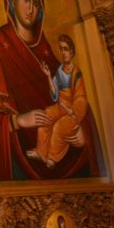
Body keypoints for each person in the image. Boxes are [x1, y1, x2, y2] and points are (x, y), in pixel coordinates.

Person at [0, 0, 100, 180]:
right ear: (11, 2)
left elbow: (77, 99)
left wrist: (84, 133)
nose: (31, 8)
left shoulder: (48, 54)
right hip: (20, 158)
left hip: (69, 160)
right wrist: (17, 121)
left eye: (36, 3)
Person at [27, 35, 88, 169]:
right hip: (61, 106)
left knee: (59, 126)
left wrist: (73, 110)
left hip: (73, 112)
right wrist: (48, 76)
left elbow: (81, 97)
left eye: (66, 49)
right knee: (46, 115)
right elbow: (55, 94)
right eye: (61, 49)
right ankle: (41, 152)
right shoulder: (60, 71)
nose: (63, 52)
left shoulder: (76, 73)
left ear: (71, 52)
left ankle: (52, 158)